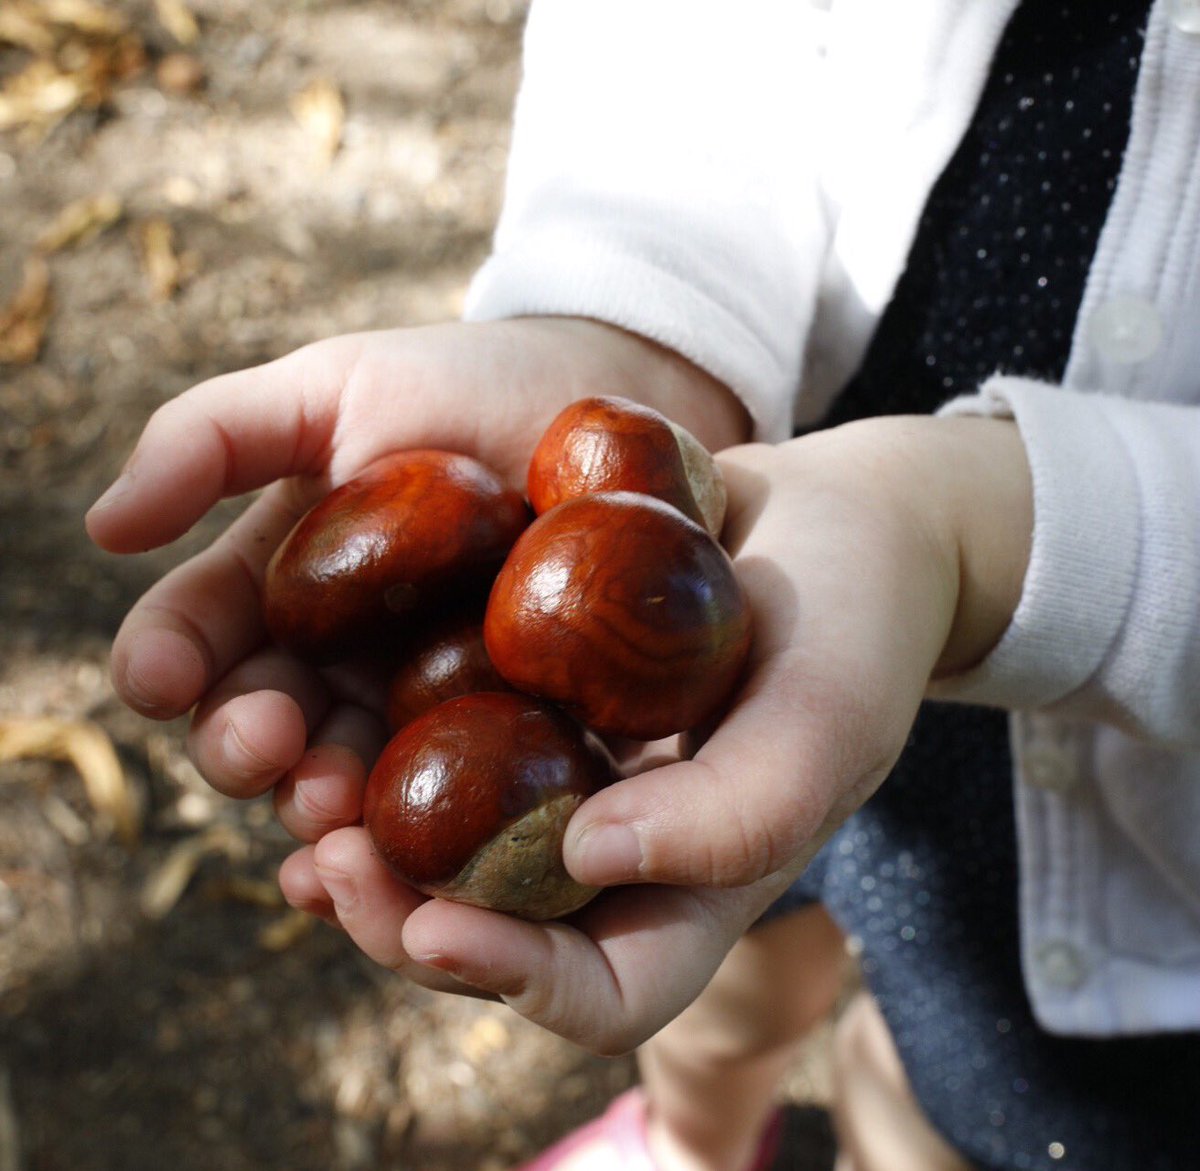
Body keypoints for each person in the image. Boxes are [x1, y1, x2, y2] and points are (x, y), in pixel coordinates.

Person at [85, 1, 1200, 1168]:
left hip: (1128, 826)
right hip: (781, 625)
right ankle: (689, 1142)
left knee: (954, 1082)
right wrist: (638, 321)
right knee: (728, 953)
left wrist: (968, 536)